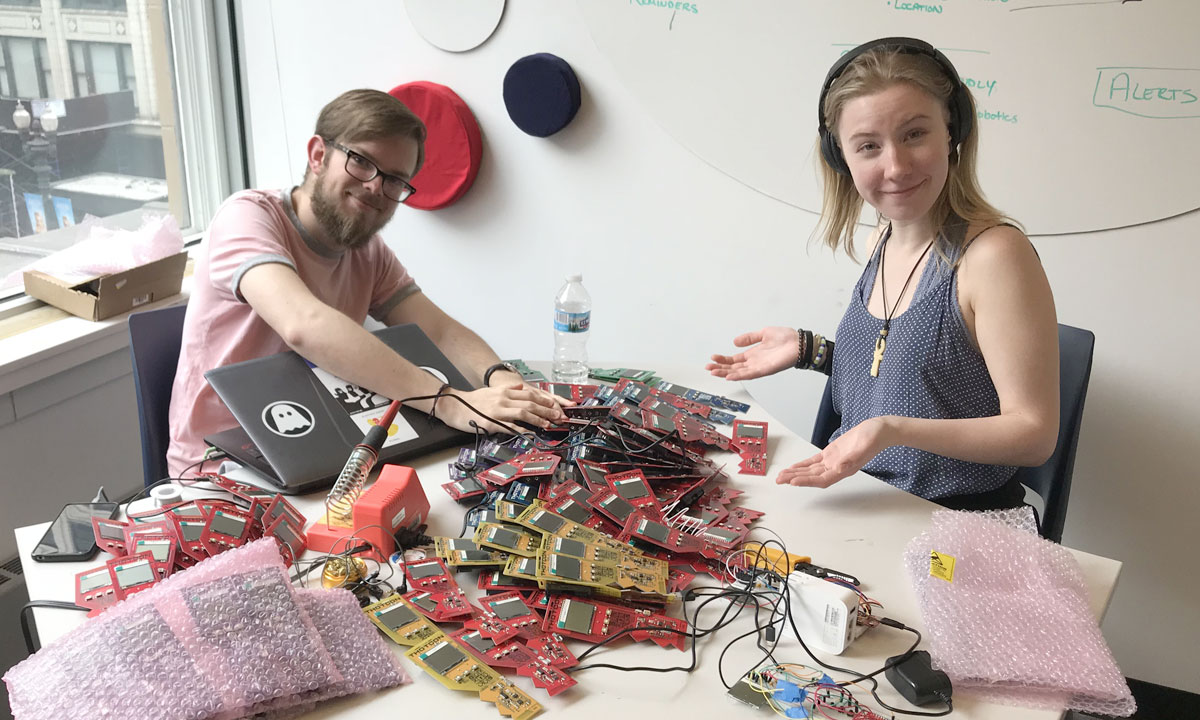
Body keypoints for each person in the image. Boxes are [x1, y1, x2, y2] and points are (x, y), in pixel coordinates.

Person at [707, 38, 1059, 510]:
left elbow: (1033, 434)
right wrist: (815, 352)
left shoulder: (995, 256)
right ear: (841, 158)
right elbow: (919, 375)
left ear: (952, 132)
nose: (895, 166)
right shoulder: (884, 238)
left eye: (915, 134)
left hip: (958, 522)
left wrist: (891, 431)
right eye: (869, 146)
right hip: (872, 500)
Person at [166, 89, 567, 477]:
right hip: (219, 469)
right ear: (318, 155)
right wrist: (448, 403)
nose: (376, 187)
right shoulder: (247, 217)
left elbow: (440, 332)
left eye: (395, 179)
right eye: (361, 161)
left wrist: (504, 381)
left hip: (320, 451)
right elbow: (304, 324)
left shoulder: (367, 251)